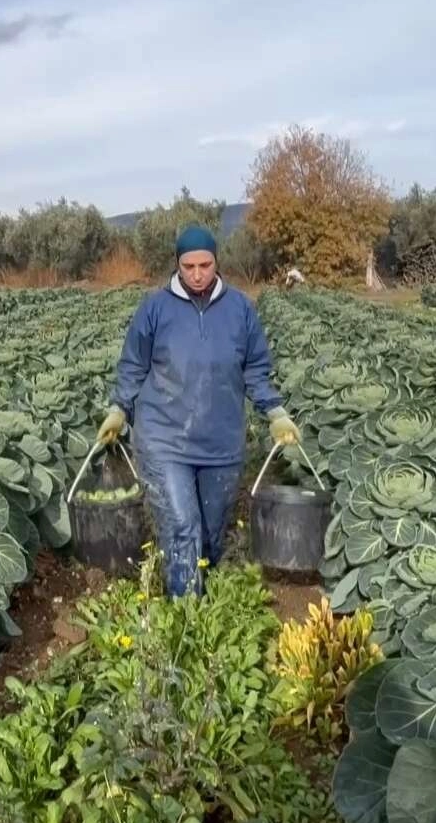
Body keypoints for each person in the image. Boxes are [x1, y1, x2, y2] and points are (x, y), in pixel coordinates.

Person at [95, 225, 299, 597]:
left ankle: (204, 600)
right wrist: (119, 409)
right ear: (177, 264)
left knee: (210, 533)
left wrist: (275, 412)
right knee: (183, 526)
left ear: (216, 262)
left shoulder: (239, 309)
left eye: (204, 265)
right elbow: (133, 364)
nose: (197, 274)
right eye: (189, 266)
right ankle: (186, 621)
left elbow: (255, 367)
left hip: (221, 440)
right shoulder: (155, 308)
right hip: (164, 438)